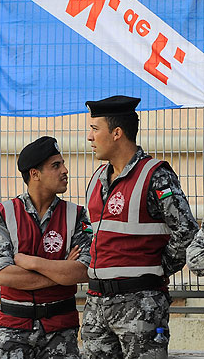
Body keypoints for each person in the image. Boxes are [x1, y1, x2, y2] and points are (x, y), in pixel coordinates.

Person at [82, 95, 198, 359]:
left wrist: (155, 270)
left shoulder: (156, 175)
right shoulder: (98, 178)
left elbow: (186, 231)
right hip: (96, 304)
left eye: (94, 129)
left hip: (140, 306)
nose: (89, 137)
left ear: (117, 133)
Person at [0, 136, 91, 358]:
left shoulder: (76, 215)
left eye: (62, 163)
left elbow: (83, 271)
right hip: (12, 328)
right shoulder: (3, 214)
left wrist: (32, 263)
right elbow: (3, 275)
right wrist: (62, 271)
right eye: (56, 165)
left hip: (61, 330)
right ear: (35, 174)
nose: (65, 170)